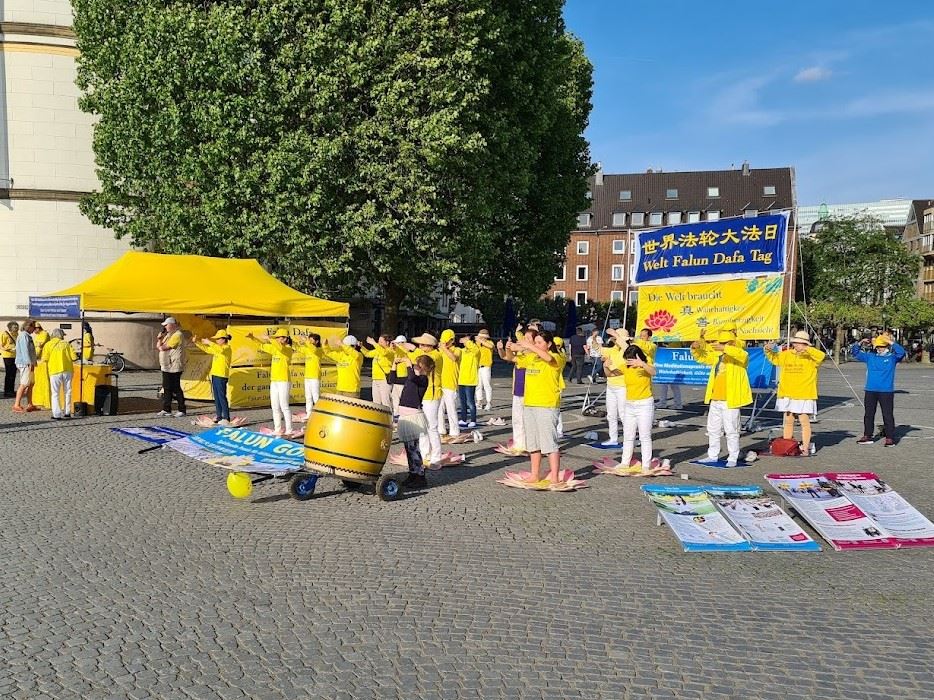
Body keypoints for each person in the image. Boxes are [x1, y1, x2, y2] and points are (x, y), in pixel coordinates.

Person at [691, 330, 752, 467]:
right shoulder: (717, 356)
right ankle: (712, 455)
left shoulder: (739, 356)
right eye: (721, 342)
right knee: (713, 429)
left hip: (731, 400)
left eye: (725, 343)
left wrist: (725, 348)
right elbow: (702, 358)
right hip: (715, 399)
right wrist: (695, 349)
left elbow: (743, 355)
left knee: (731, 430)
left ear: (732, 343)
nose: (721, 345)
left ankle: (733, 457)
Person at [517, 329, 566, 483]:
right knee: (533, 443)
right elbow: (513, 359)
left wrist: (529, 346)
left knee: (549, 443)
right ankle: (535, 474)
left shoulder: (557, 357)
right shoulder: (533, 357)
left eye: (539, 342)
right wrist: (508, 348)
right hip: (530, 404)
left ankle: (555, 477)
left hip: (547, 405)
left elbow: (548, 358)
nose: (536, 345)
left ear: (549, 344)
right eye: (535, 342)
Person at [765, 331, 826, 454]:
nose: (796, 345)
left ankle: (805, 448)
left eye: (800, 343)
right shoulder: (787, 354)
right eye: (795, 342)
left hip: (804, 393)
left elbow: (821, 356)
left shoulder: (812, 356)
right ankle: (787, 446)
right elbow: (774, 359)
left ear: (805, 344)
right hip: (787, 392)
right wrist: (768, 350)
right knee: (788, 420)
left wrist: (807, 349)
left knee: (804, 421)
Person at [850, 334, 906, 446]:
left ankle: (889, 438)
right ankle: (867, 435)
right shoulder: (870, 356)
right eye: (878, 346)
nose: (880, 348)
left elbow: (901, 352)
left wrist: (890, 342)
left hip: (886, 391)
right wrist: (860, 342)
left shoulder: (892, 358)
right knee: (868, 414)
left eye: (882, 346)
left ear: (887, 347)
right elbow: (855, 353)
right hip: (870, 389)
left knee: (887, 415)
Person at [392, 353, 436, 488]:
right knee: (408, 448)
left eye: (418, 364)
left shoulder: (423, 379)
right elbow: (391, 379)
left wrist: (408, 363)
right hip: (405, 415)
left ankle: (420, 476)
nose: (415, 366)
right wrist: (394, 365)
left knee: (413, 448)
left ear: (423, 367)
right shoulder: (414, 378)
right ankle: (412, 473)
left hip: (413, 415)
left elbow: (412, 377)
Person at [618, 343, 659, 473]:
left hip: (644, 404)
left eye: (630, 359)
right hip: (629, 404)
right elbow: (610, 373)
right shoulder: (625, 367)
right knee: (628, 435)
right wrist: (605, 366)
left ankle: (646, 465)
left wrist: (642, 364)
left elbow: (654, 372)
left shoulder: (646, 364)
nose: (628, 362)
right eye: (627, 359)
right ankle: (625, 462)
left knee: (644, 436)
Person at [245, 328, 294, 435]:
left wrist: (269, 338)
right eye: (276, 338)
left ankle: (289, 430)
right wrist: (253, 338)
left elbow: (280, 348)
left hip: (284, 380)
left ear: (285, 339)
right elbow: (262, 345)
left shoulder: (288, 349)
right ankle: (277, 429)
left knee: (284, 406)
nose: (276, 339)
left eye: (278, 337)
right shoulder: (275, 348)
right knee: (275, 406)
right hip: (274, 380)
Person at [404, 333, 444, 464]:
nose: (420, 346)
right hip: (423, 395)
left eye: (422, 345)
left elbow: (425, 360)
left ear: (429, 346)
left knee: (432, 427)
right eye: (419, 345)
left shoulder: (436, 355)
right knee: (422, 427)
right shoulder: (423, 353)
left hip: (432, 395)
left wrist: (413, 349)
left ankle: (436, 457)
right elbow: (416, 360)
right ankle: (424, 454)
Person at [598, 328, 631, 446]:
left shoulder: (628, 350)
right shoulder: (613, 350)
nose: (615, 341)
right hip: (611, 385)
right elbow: (598, 350)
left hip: (622, 386)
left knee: (623, 414)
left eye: (616, 339)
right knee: (611, 414)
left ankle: (629, 439)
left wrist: (616, 335)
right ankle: (613, 438)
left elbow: (626, 347)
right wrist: (594, 339)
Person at [496, 337, 529, 451]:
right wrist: (503, 349)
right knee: (517, 418)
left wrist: (520, 348)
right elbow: (507, 357)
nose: (520, 340)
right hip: (517, 389)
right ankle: (519, 443)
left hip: (530, 391)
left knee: (527, 420)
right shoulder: (520, 352)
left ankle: (529, 443)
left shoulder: (533, 353)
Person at [195, 330, 233, 424]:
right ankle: (219, 416)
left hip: (221, 375)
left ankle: (226, 417)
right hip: (215, 375)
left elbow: (220, 350)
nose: (216, 340)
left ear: (223, 339)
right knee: (217, 397)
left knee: (221, 397)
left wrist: (209, 342)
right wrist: (197, 342)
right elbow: (207, 349)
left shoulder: (227, 348)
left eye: (217, 339)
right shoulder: (217, 348)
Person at [41, 328, 78, 420]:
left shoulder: (48, 344)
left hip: (54, 371)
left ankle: (57, 414)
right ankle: (67, 412)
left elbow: (44, 359)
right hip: (67, 370)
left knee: (55, 393)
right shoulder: (67, 344)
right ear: (61, 335)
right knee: (68, 391)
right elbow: (74, 357)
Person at [156, 317, 186, 417]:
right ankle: (166, 409)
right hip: (166, 365)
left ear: (172, 325)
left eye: (166, 325)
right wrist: (160, 339)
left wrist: (160, 346)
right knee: (166, 387)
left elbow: (164, 348)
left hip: (175, 365)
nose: (165, 327)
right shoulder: (168, 335)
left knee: (176, 388)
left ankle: (182, 409)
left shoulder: (178, 335)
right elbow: (159, 346)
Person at [437, 329, 461, 437]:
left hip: (451, 384)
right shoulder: (440, 351)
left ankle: (454, 431)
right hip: (439, 383)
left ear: (452, 340)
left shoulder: (457, 350)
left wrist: (444, 348)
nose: (445, 343)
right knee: (439, 408)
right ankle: (441, 429)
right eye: (443, 341)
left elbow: (454, 358)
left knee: (451, 409)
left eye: (447, 341)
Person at [12, 319, 37, 413]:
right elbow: (25, 351)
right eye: (33, 327)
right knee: (24, 383)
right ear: (29, 326)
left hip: (30, 363)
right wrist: (29, 363)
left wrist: (33, 363)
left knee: (31, 383)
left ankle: (30, 404)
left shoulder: (27, 336)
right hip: (25, 363)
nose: (34, 329)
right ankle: (16, 405)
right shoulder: (23, 336)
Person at [362, 335, 394, 409]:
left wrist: (373, 343)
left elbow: (384, 353)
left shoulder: (390, 351)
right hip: (375, 379)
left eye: (381, 341)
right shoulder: (377, 350)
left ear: (387, 342)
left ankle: (389, 415)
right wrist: (361, 347)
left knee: (385, 401)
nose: (379, 343)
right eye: (378, 341)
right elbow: (367, 354)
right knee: (376, 402)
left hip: (384, 380)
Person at [294, 333, 322, 415]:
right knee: (308, 397)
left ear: (317, 341)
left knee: (315, 397)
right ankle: (309, 414)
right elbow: (298, 348)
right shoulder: (308, 349)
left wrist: (306, 340)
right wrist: (294, 342)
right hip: (307, 377)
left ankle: (318, 414)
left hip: (315, 377)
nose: (309, 342)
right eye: (309, 340)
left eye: (311, 340)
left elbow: (313, 349)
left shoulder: (319, 350)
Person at [457, 334, 481, 428]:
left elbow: (475, 350)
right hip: (461, 379)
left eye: (467, 340)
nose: (465, 341)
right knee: (462, 402)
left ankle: (473, 420)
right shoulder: (463, 351)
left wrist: (468, 341)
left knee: (470, 402)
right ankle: (463, 419)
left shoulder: (476, 351)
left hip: (470, 380)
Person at [474, 329, 495, 410]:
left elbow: (491, 346)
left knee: (487, 385)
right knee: (478, 385)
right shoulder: (477, 344)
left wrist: (481, 341)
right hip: (477, 366)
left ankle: (489, 402)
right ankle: (479, 401)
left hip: (486, 366)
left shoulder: (490, 343)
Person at [389, 335, 408, 416]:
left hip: (403, 378)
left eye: (399, 343)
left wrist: (398, 345)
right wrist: (392, 345)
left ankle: (403, 415)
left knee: (402, 399)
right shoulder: (396, 351)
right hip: (396, 378)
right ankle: (396, 414)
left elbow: (405, 351)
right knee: (395, 398)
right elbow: (389, 350)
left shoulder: (407, 351)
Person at [1, 320, 18, 398]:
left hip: (15, 356)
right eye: (15, 327)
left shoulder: (16, 334)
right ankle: (7, 391)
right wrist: (9, 349)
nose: (16, 328)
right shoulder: (4, 334)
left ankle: (11, 390)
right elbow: (1, 345)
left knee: (13, 373)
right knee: (9, 374)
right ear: (10, 327)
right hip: (7, 356)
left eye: (17, 327)